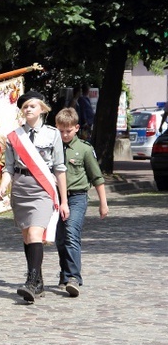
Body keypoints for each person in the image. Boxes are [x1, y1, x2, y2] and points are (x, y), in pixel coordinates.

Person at [0, 91, 70, 303]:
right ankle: (37, 281)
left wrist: (63, 201)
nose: (28, 109)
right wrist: (4, 185)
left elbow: (59, 168)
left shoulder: (53, 134)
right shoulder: (14, 136)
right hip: (21, 189)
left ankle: (31, 280)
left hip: (42, 190)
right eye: (25, 106)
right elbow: (8, 167)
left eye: (32, 106)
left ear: (42, 109)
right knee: (28, 236)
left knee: (36, 233)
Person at [55, 108, 109, 297]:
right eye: (61, 130)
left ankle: (73, 277)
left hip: (77, 197)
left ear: (76, 128)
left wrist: (103, 203)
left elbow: (97, 177)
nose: (64, 134)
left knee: (71, 233)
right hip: (56, 197)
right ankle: (64, 273)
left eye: (68, 130)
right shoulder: (54, 147)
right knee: (60, 239)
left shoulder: (84, 149)